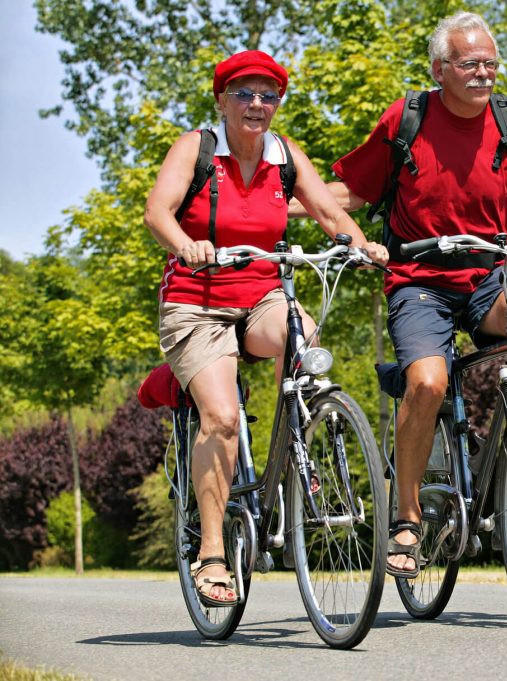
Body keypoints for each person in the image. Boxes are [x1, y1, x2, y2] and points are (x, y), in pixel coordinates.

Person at [299, 12, 507, 577]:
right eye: (470, 64)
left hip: (489, 275)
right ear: (440, 69)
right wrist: (276, 202)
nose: (484, 73)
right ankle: (406, 521)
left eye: (490, 62)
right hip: (420, 282)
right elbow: (354, 192)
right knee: (428, 383)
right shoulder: (407, 118)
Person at [144, 50, 388, 606]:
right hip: (196, 300)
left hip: (260, 295)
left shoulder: (284, 156)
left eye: (268, 95)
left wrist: (361, 245)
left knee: (301, 337)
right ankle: (210, 555)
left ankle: (292, 448)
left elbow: (330, 214)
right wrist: (187, 246)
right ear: (222, 100)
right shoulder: (196, 148)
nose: (257, 104)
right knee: (223, 416)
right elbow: (157, 211)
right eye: (244, 94)